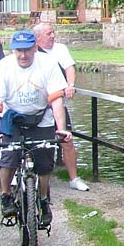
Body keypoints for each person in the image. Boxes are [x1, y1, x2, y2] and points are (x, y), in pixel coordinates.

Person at [0, 30, 72, 225]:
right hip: (13, 118)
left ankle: (43, 199)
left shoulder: (47, 64)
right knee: (8, 157)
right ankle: (6, 196)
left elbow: (57, 99)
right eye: (18, 51)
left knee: (45, 161)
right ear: (13, 50)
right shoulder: (4, 67)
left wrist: (61, 129)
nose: (23, 55)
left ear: (35, 48)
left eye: (27, 50)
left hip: (40, 117)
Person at [33, 22, 89, 191]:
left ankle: (73, 178)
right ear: (38, 38)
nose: (53, 36)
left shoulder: (60, 49)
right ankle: (27, 175)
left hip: (56, 102)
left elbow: (69, 67)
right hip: (36, 105)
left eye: (53, 32)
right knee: (30, 140)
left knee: (66, 138)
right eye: (49, 33)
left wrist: (70, 84)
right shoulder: (30, 52)